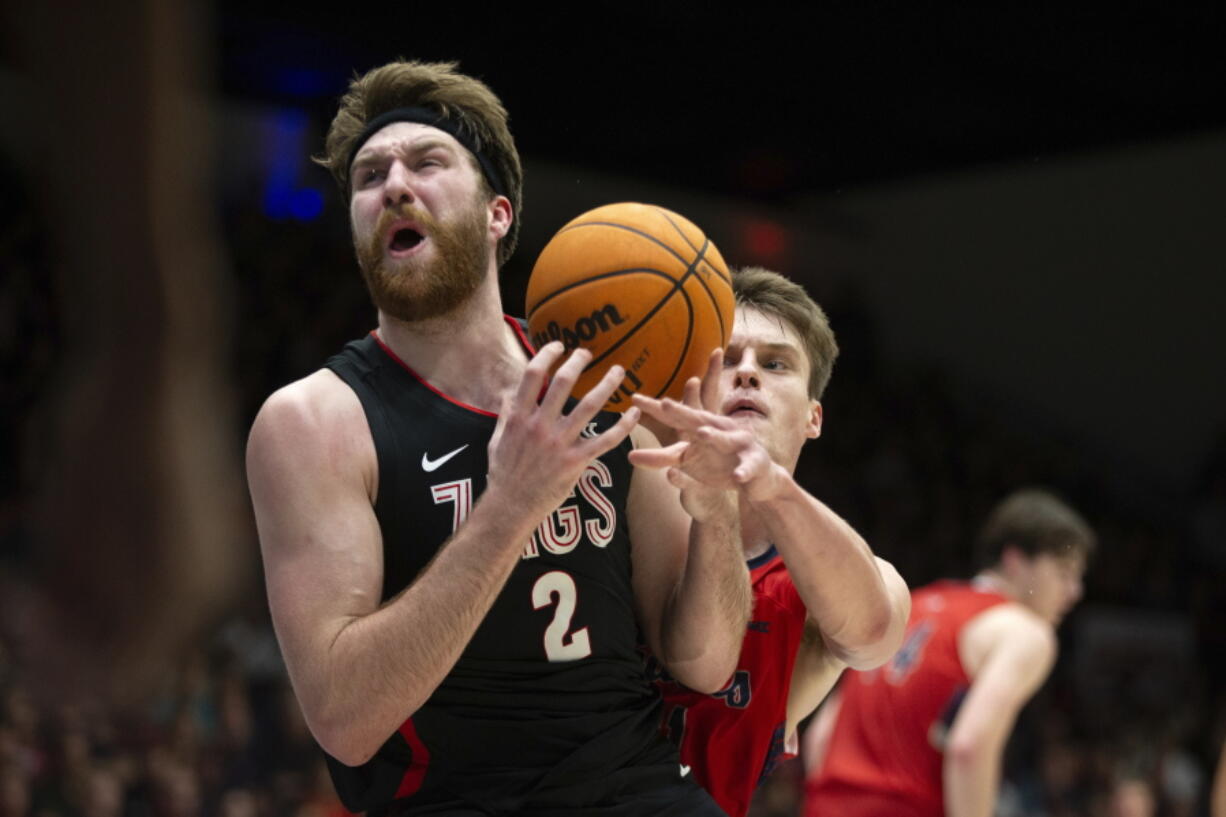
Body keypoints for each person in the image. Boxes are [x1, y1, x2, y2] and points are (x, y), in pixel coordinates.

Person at [245, 60, 750, 816]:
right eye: (369, 176)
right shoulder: (313, 422)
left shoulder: (607, 386)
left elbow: (704, 663)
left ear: (498, 214)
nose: (393, 187)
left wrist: (716, 514)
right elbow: (345, 721)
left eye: (427, 161)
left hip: (638, 787)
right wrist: (510, 501)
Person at [629, 266, 911, 817]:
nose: (748, 374)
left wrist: (767, 483)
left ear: (814, 418)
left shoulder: (828, 579)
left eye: (775, 363)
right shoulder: (619, 510)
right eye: (726, 358)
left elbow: (872, 636)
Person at [803, 488, 1096, 817]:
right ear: (1015, 561)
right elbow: (967, 747)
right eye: (1064, 573)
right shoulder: (1026, 632)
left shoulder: (912, 603)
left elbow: (820, 738)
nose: (1074, 592)